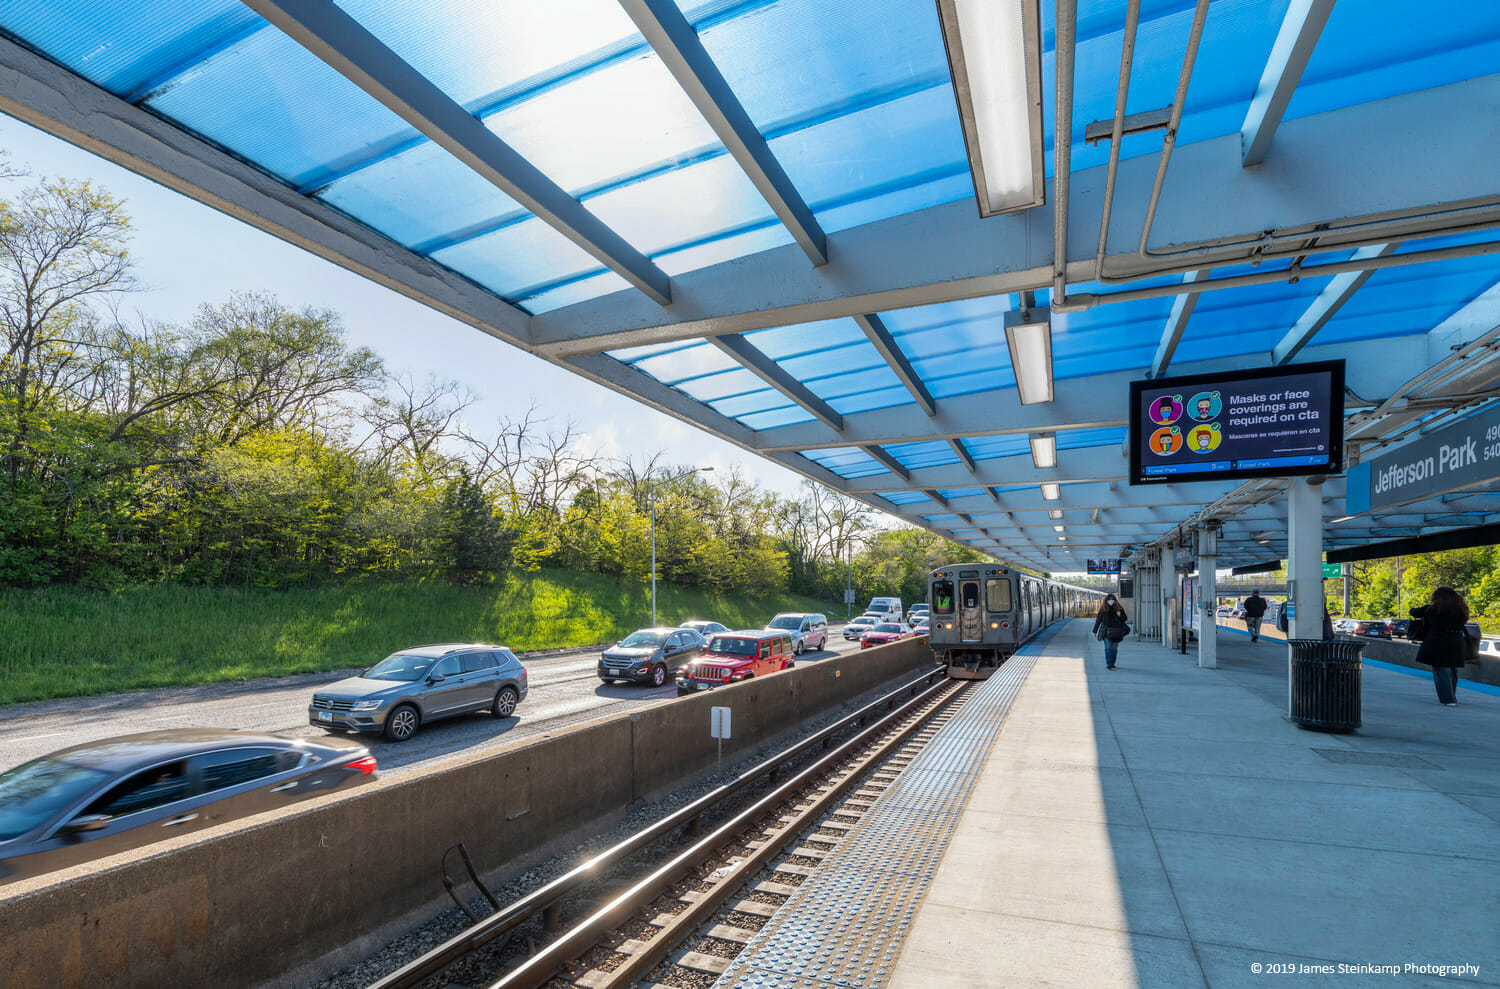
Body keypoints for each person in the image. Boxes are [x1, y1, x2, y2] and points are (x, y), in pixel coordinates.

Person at [1410, 587, 1471, 706]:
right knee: (1452, 670)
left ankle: (1447, 699)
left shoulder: (1432, 610)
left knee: (1441, 671)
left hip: (1437, 642)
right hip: (1456, 642)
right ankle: (1452, 696)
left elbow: (1414, 612)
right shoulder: (1462, 611)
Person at [1092, 594, 1129, 670]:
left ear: (1115, 600)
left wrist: (1119, 615)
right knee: (1108, 648)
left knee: (1114, 648)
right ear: (1106, 600)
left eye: (1112, 599)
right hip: (1106, 631)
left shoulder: (1119, 609)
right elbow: (1098, 620)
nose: (1111, 601)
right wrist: (1094, 631)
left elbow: (1125, 619)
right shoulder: (1103, 609)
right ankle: (1109, 664)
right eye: (1109, 599)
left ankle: (1112, 663)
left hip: (1117, 631)